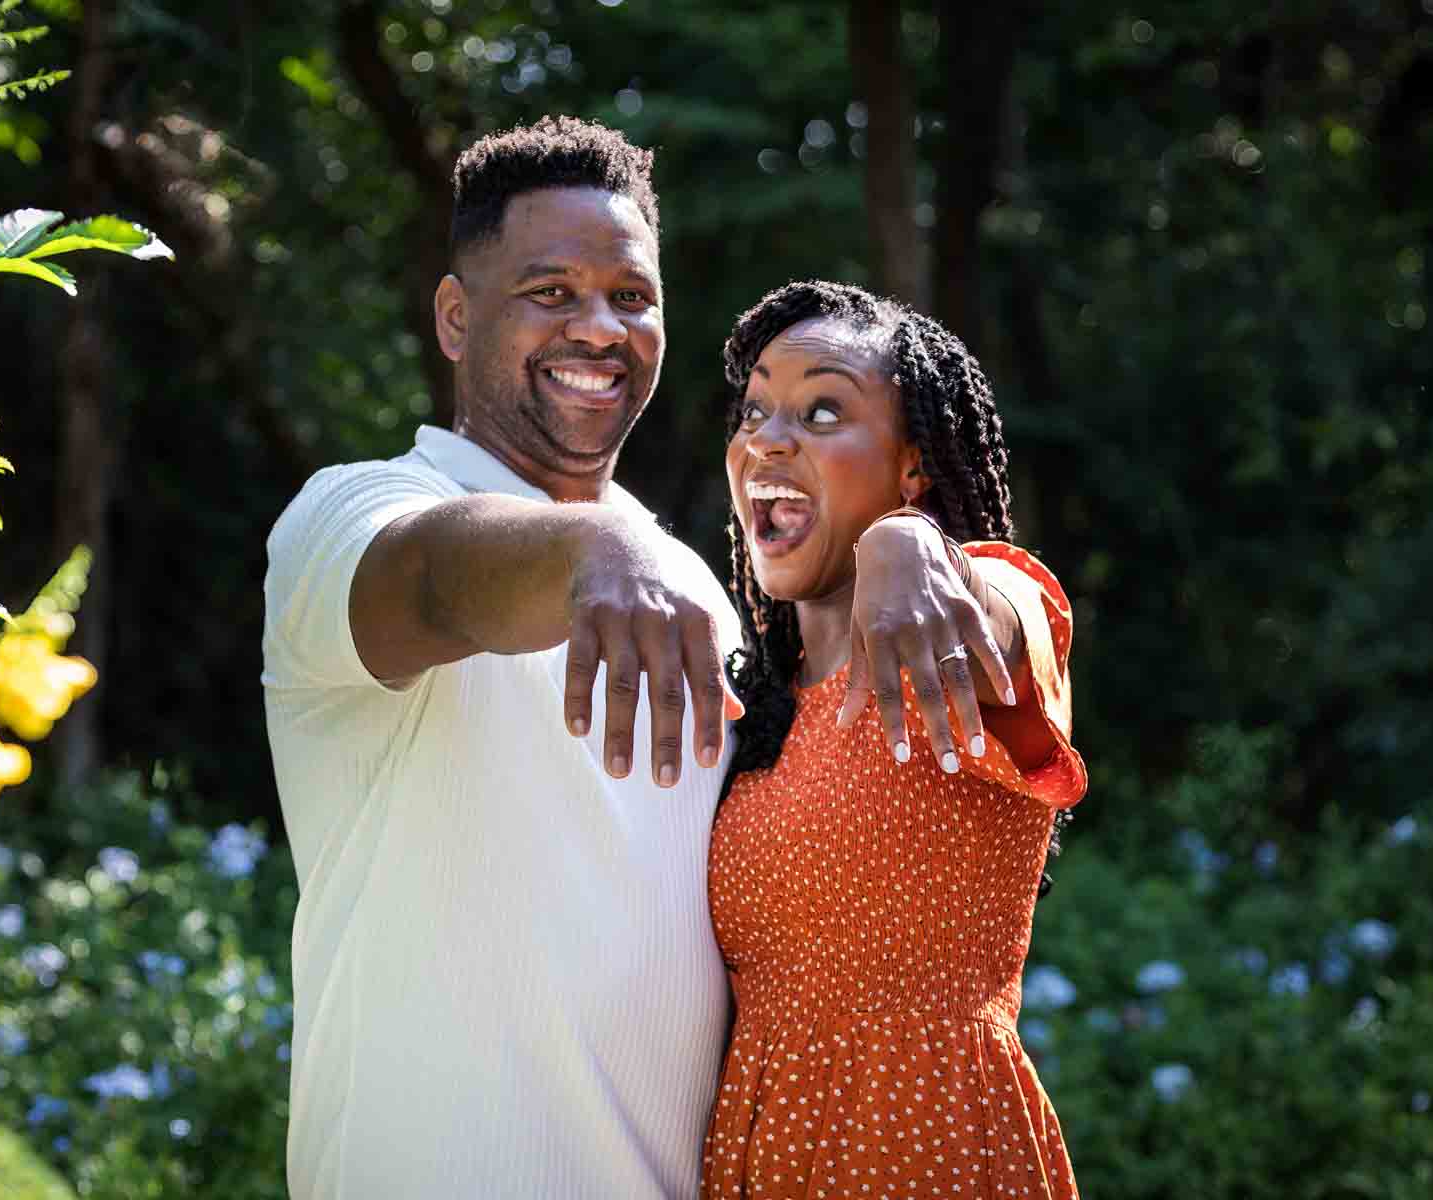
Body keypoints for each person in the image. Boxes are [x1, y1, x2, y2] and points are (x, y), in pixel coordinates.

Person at [262, 121, 990, 1199]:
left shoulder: (694, 590)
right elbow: (432, 578)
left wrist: (904, 533)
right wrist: (596, 545)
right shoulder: (352, 514)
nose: (599, 327)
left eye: (631, 297)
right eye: (551, 293)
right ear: (458, 319)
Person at [700, 281, 1088, 1200]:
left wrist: (912, 543)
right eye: (755, 409)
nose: (767, 437)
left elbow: (1017, 612)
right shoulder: (752, 712)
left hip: (932, 1151)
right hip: (758, 1159)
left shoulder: (957, 644)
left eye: (821, 409)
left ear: (913, 466)